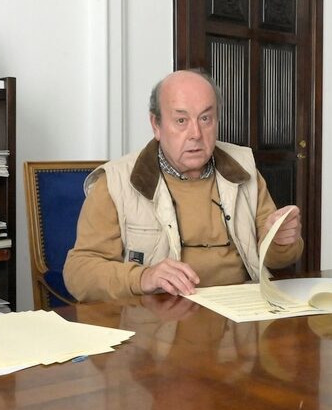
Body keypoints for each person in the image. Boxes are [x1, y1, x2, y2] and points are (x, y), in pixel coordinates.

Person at [64, 69, 304, 303]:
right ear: (156, 125)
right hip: (161, 323)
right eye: (181, 120)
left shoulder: (244, 168)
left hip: (242, 314)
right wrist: (143, 277)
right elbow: (79, 274)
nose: (196, 134)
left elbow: (274, 258)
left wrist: (281, 241)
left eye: (205, 118)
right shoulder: (116, 182)